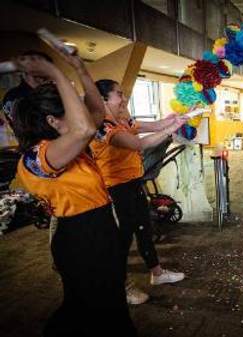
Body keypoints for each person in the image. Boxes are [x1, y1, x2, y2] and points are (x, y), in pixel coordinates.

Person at [12, 56, 136, 336]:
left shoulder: (65, 145)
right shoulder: (37, 156)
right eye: (73, 110)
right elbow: (86, 127)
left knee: (96, 307)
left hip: (100, 230)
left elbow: (94, 113)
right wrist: (55, 73)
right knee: (100, 311)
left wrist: (80, 70)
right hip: (81, 239)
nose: (82, 115)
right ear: (53, 120)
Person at [91, 79, 187, 305]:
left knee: (145, 229)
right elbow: (138, 144)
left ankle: (157, 274)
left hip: (134, 182)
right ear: (104, 99)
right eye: (119, 94)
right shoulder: (102, 127)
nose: (124, 98)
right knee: (121, 240)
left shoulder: (122, 119)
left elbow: (152, 127)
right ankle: (121, 287)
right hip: (116, 189)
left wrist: (175, 118)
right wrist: (172, 129)